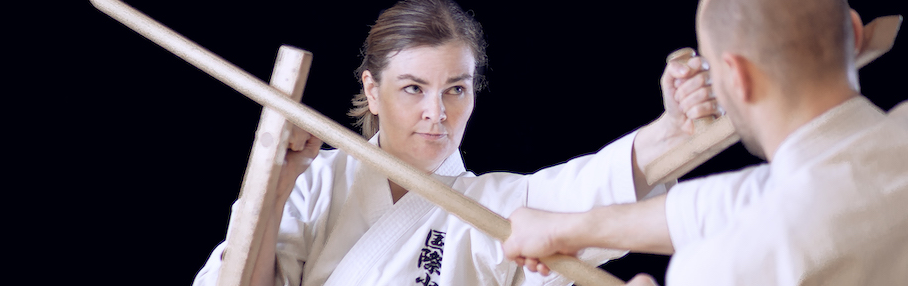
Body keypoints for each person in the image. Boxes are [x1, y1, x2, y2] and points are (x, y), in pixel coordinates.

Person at [501, 0, 908, 285]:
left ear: (736, 77)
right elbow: (776, 197)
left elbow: (785, 215)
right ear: (852, 32)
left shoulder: (723, 270)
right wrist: (569, 227)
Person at [192, 0, 718, 285]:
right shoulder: (314, 182)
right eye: (413, 88)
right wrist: (276, 185)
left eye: (456, 90)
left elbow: (581, 195)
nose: (437, 114)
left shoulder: (491, 204)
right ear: (372, 91)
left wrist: (672, 128)